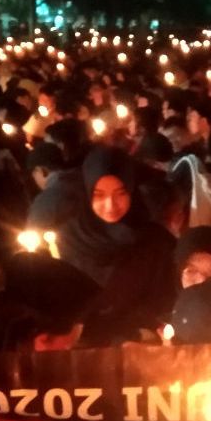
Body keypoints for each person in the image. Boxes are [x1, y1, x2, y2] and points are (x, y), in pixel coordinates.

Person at [58, 147, 176, 345]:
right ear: (87, 193)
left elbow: (163, 302)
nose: (111, 205)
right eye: (99, 195)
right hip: (79, 351)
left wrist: (136, 335)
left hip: (138, 347)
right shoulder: (66, 240)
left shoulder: (155, 241)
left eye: (120, 194)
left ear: (132, 189)